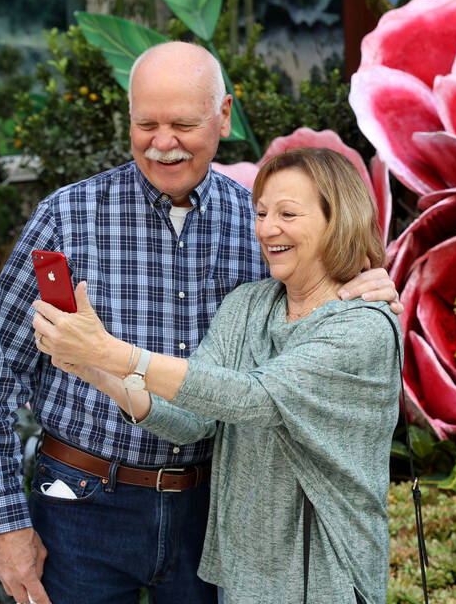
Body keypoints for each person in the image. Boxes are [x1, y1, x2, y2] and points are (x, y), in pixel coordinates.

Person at [0, 42, 399, 604]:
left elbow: (312, 313)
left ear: (224, 116)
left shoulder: (255, 223)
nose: (163, 143)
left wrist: (370, 286)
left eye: (183, 124)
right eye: (147, 124)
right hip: (81, 504)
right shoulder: (68, 216)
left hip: (212, 512)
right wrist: (5, 526)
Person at [32, 147, 399, 603]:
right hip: (246, 574)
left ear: (337, 220)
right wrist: (99, 371)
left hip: (326, 572)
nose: (267, 229)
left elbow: (256, 398)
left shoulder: (362, 327)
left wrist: (114, 352)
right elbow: (196, 418)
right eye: (261, 212)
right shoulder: (248, 305)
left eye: (287, 213)